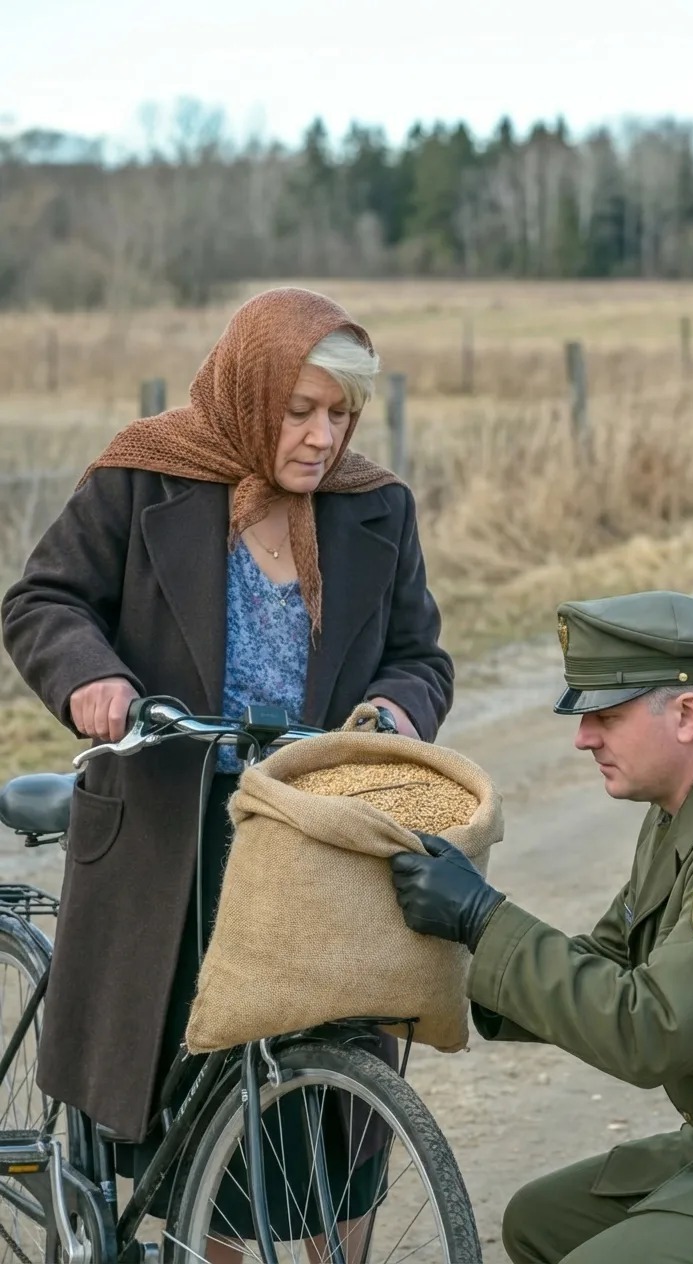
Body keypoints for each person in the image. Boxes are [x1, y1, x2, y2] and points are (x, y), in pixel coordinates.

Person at [2, 286, 453, 1259]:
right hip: (171, 833)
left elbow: (420, 656)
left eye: (340, 415)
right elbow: (43, 600)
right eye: (300, 411)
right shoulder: (145, 475)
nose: (322, 438)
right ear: (251, 391)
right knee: (195, 1098)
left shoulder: (375, 505)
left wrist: (396, 711)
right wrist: (93, 680)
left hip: (316, 828)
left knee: (340, 1106)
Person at [391, 589, 693, 1264]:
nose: (584, 737)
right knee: (539, 1222)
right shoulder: (687, 811)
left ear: (687, 714)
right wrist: (430, 969)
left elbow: (649, 1030)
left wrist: (483, 918)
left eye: (607, 714)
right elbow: (607, 964)